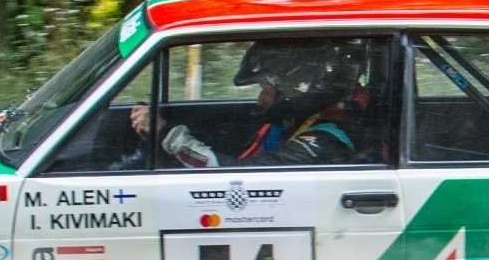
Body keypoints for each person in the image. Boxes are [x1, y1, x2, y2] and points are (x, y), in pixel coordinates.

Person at [129, 39, 369, 168]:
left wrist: (164, 133)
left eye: (265, 90)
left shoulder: (323, 142)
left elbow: (230, 175)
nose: (260, 99)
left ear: (298, 89)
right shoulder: (299, 123)